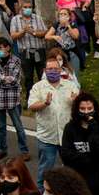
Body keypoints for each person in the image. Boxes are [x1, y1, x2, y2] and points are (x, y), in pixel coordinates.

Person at [27, 49, 80, 184]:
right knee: (45, 171)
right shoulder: (38, 87)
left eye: (55, 69)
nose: (52, 71)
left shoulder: (71, 85)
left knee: (71, 170)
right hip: (47, 137)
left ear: (60, 69)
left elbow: (81, 106)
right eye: (49, 69)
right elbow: (31, 106)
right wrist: (45, 103)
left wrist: (76, 101)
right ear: (45, 70)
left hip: (67, 136)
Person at [0, 37, 29, 160]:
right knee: (1, 127)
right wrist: (4, 78)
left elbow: (14, 80)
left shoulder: (16, 61)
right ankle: (2, 149)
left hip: (12, 99)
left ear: (8, 47)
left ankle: (24, 151)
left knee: (18, 126)